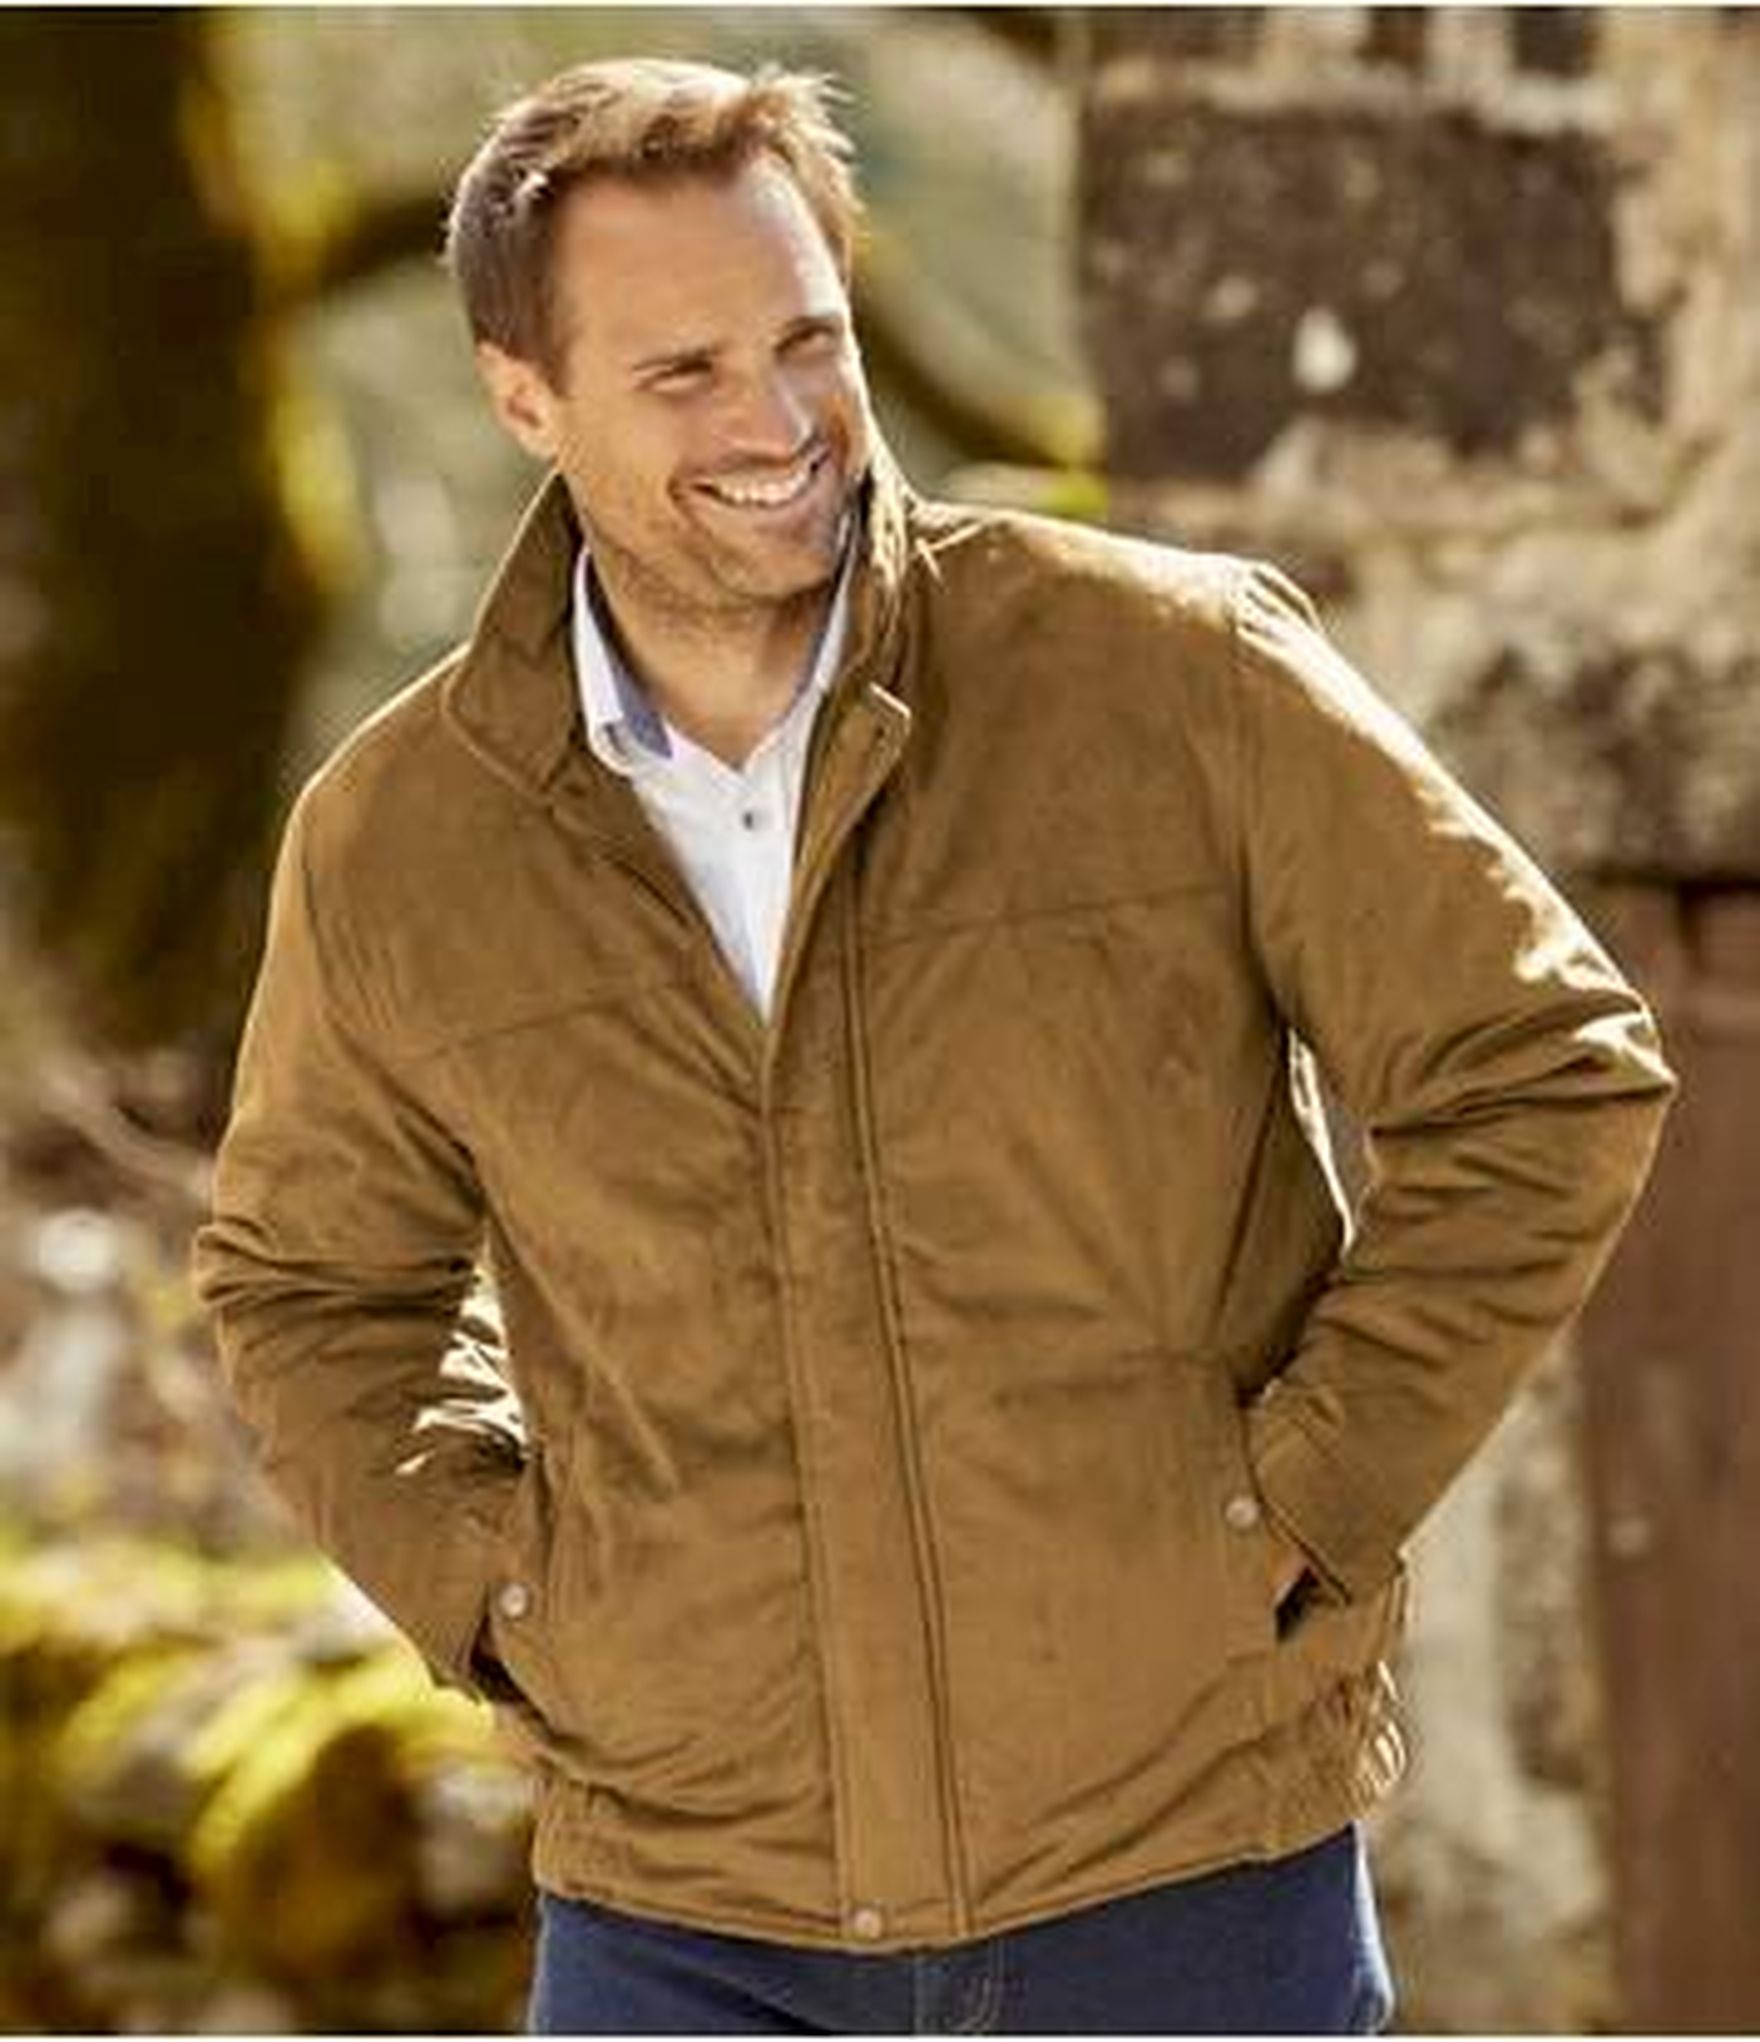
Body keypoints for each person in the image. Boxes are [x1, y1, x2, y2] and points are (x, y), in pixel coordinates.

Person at [192, 56, 1676, 2035]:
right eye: (686, 372)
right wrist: (504, 1589)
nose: (777, 421)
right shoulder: (401, 841)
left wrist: (1300, 1497)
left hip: (1179, 1882)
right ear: (522, 395)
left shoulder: (1174, 677)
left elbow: (1543, 1068)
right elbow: (309, 1285)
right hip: (681, 1921)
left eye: (808, 339)